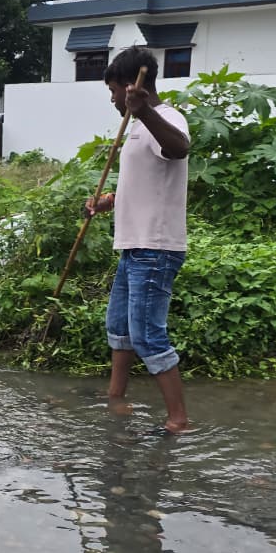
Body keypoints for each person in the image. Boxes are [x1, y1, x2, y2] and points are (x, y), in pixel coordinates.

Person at [85, 46, 191, 433]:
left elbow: (179, 150)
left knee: (147, 334)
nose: (113, 99)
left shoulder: (165, 117)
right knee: (119, 327)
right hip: (134, 246)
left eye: (113, 90)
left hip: (156, 247)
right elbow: (147, 180)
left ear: (131, 87)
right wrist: (108, 201)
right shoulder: (135, 126)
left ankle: (179, 419)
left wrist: (143, 111)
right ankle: (116, 395)